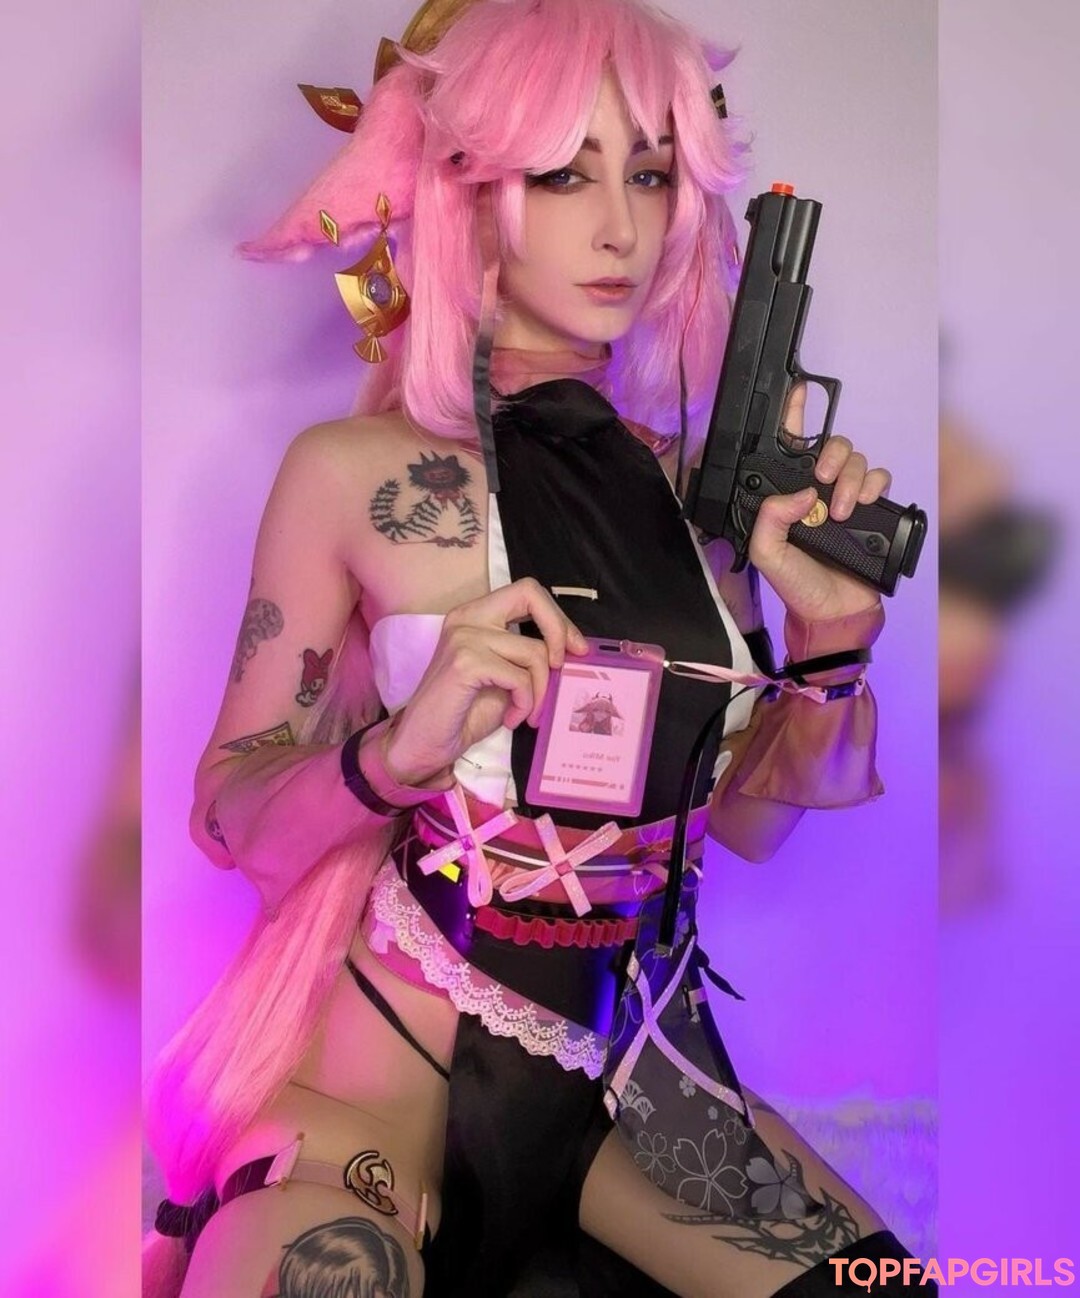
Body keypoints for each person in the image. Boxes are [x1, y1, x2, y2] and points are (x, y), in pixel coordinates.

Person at [144, 1, 932, 1294]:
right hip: (377, 1089)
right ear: (467, 190)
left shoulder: (706, 499)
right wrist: (396, 753)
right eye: (565, 175)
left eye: (651, 174)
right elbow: (229, 821)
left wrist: (833, 645)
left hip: (634, 1091)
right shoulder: (354, 473)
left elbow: (744, 828)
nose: (621, 226)